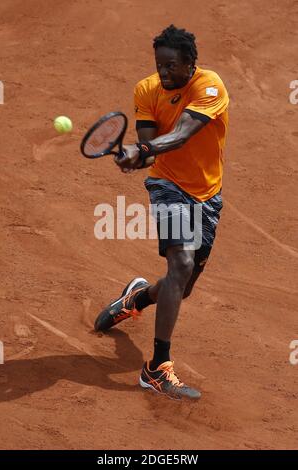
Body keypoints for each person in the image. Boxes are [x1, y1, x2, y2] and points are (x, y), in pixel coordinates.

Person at [95, 24, 229, 400]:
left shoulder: (210, 86)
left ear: (190, 64)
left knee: (180, 288)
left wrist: (144, 151)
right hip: (167, 185)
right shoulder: (146, 89)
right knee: (181, 264)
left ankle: (136, 299)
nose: (163, 73)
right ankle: (156, 369)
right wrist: (135, 158)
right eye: (159, 65)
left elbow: (183, 134)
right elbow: (150, 147)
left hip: (207, 194)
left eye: (171, 66)